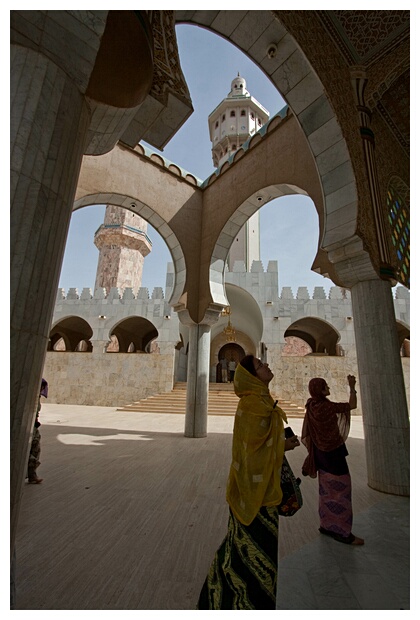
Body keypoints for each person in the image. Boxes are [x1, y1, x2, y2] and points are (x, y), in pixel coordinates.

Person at [197, 355, 300, 609]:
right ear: (252, 377)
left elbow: (261, 446)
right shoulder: (252, 405)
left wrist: (280, 445)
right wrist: (281, 445)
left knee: (252, 552)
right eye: (260, 366)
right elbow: (250, 454)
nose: (267, 366)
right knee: (249, 553)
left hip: (266, 489)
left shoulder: (263, 401)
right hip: (254, 495)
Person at [301, 375, 364, 546]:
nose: (328, 388)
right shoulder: (327, 407)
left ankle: (327, 525)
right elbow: (352, 405)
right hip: (333, 454)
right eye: (325, 386)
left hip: (320, 454)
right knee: (341, 490)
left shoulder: (311, 405)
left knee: (326, 490)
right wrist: (352, 386)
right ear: (320, 390)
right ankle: (343, 532)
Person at [27, 378, 48, 484]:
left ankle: (31, 473)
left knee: (35, 448)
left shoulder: (36, 397)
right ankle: (31, 474)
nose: (42, 389)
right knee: (27, 450)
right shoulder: (29, 396)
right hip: (26, 426)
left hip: (33, 426)